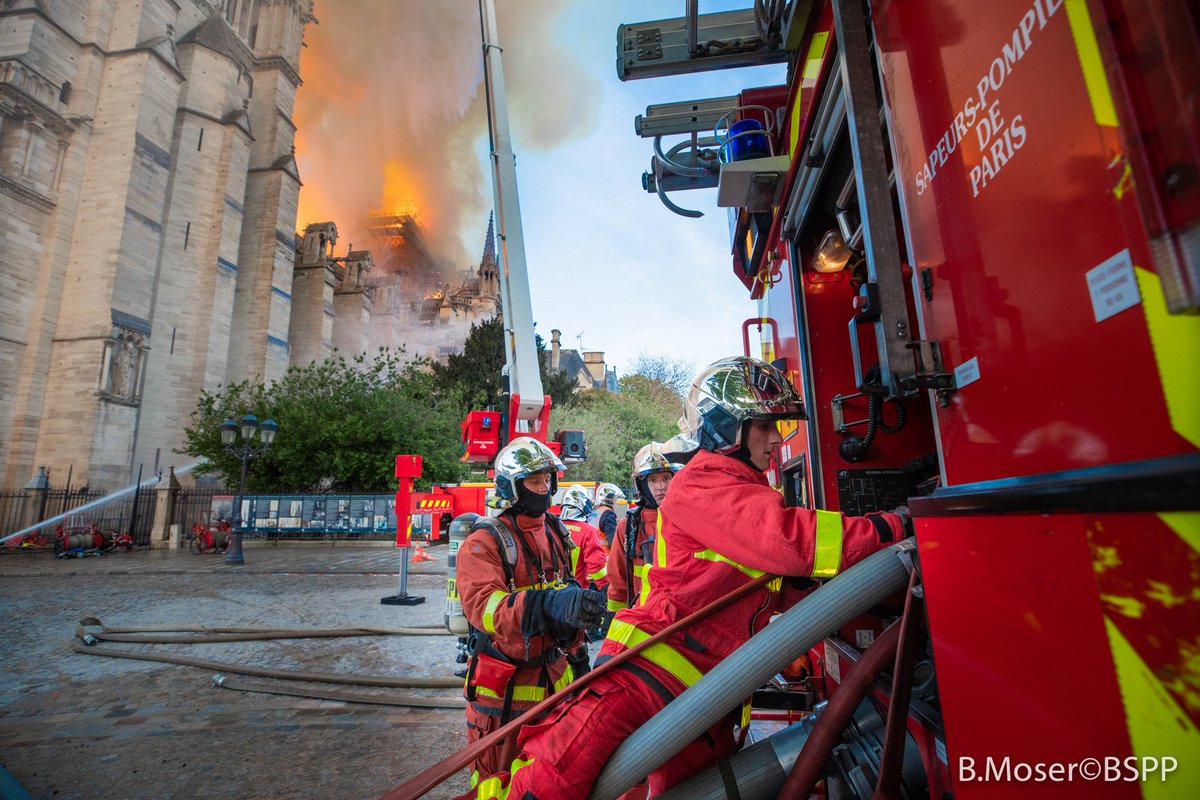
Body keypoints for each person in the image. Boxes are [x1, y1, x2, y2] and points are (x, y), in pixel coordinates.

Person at [457, 357, 910, 799]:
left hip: (699, 687)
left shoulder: (738, 492)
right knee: (546, 778)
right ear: (727, 429)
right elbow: (792, 542)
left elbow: (763, 580)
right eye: (765, 425)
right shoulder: (701, 485)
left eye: (780, 425)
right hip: (646, 672)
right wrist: (898, 527)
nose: (777, 438)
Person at [454, 437, 607, 788]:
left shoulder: (555, 531)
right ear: (511, 487)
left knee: (550, 783)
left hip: (555, 682)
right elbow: (484, 609)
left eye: (547, 480)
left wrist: (579, 652)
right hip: (505, 696)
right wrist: (544, 604)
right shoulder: (484, 541)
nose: (543, 488)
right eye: (533, 481)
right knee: (497, 785)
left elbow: (563, 592)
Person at [606, 441, 681, 612]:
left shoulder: (689, 519)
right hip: (643, 615)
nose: (660, 487)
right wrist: (613, 617)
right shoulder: (628, 527)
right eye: (652, 480)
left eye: (666, 478)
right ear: (641, 485)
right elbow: (619, 583)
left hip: (683, 616)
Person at [559, 484, 608, 593]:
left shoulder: (552, 527)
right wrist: (607, 589)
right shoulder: (588, 531)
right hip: (576, 593)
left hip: (552, 594)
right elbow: (597, 567)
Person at [590, 482, 624, 547]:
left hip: (593, 550)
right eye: (616, 499)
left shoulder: (595, 512)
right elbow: (613, 541)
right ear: (611, 500)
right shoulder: (608, 513)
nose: (616, 502)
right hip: (604, 552)